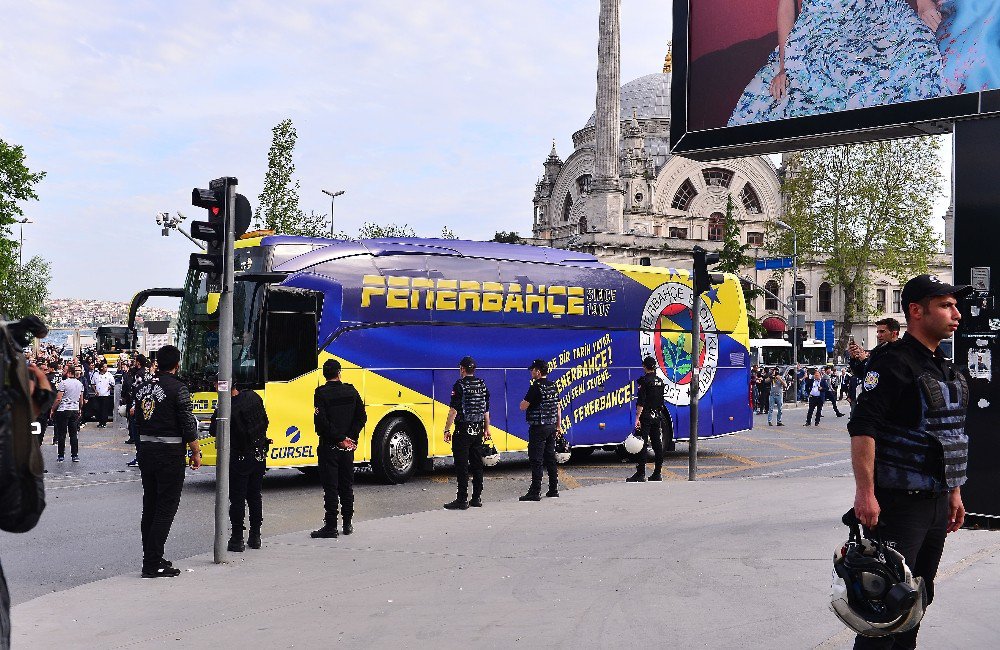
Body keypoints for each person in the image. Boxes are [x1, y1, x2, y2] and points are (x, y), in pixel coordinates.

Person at [847, 274, 972, 649]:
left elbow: (949, 436)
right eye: (946, 306)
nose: (957, 314)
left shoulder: (943, 366)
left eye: (955, 305)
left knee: (917, 600)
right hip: (898, 504)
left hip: (935, 504)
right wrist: (865, 494)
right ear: (916, 311)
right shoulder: (891, 364)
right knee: (885, 606)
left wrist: (953, 494)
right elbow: (863, 429)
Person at [729, 0, 943, 126]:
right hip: (820, 28)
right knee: (766, 96)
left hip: (875, 15)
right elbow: (786, 7)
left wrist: (923, 3)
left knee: (915, 53)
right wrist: (785, 66)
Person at [132, 345, 201, 578]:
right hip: (169, 453)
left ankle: (152, 557)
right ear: (177, 364)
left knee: (150, 506)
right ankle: (152, 563)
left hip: (146, 451)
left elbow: (136, 419)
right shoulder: (178, 388)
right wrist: (195, 451)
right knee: (165, 508)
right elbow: (187, 422)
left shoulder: (142, 387)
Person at [311, 359, 366, 538]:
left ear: (324, 374)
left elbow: (321, 424)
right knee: (346, 486)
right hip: (347, 449)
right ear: (339, 373)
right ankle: (348, 523)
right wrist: (350, 437)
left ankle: (331, 525)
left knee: (331, 487)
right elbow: (361, 417)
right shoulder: (351, 391)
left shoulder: (321, 393)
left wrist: (340, 438)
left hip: (330, 446)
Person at [210, 387, 270, 551]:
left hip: (239, 457)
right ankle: (255, 536)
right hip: (258, 454)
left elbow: (214, 430)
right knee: (254, 496)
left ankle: (237, 538)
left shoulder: (227, 407)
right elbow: (265, 421)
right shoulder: (253, 396)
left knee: (237, 499)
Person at [443, 356, 491, 509]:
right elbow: (486, 410)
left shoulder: (460, 385)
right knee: (477, 465)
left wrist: (447, 429)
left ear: (462, 369)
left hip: (463, 430)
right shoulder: (482, 385)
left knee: (462, 466)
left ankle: (462, 499)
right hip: (477, 429)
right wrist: (486, 429)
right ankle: (476, 498)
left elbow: (453, 411)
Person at [518, 359, 561, 501]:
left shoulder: (536, 386)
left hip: (538, 427)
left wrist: (523, 404)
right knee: (550, 458)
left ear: (538, 371)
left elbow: (523, 406)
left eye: (533, 370)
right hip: (551, 426)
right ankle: (553, 489)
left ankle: (535, 492)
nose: (531, 372)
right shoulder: (553, 385)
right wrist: (558, 426)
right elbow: (558, 407)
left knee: (536, 459)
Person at [627, 356, 668, 482]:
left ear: (645, 366)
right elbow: (661, 401)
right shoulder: (660, 381)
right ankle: (657, 473)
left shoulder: (644, 381)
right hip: (657, 415)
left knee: (642, 444)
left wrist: (637, 418)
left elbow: (641, 402)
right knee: (657, 444)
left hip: (646, 416)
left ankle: (641, 473)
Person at [51, 366, 84, 462]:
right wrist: (80, 408)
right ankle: (75, 455)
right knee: (73, 434)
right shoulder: (79, 383)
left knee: (62, 433)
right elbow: (81, 399)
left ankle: (61, 455)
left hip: (63, 409)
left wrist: (53, 409)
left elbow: (58, 398)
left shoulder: (63, 383)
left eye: (65, 371)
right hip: (74, 409)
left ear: (69, 373)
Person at [91, 363, 115, 428]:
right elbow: (92, 383)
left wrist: (109, 388)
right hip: (98, 394)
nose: (106, 368)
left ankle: (103, 422)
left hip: (105, 395)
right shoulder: (96, 374)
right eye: (105, 367)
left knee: (104, 409)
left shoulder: (109, 375)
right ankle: (99, 421)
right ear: (101, 368)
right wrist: (95, 390)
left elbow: (113, 384)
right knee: (97, 409)